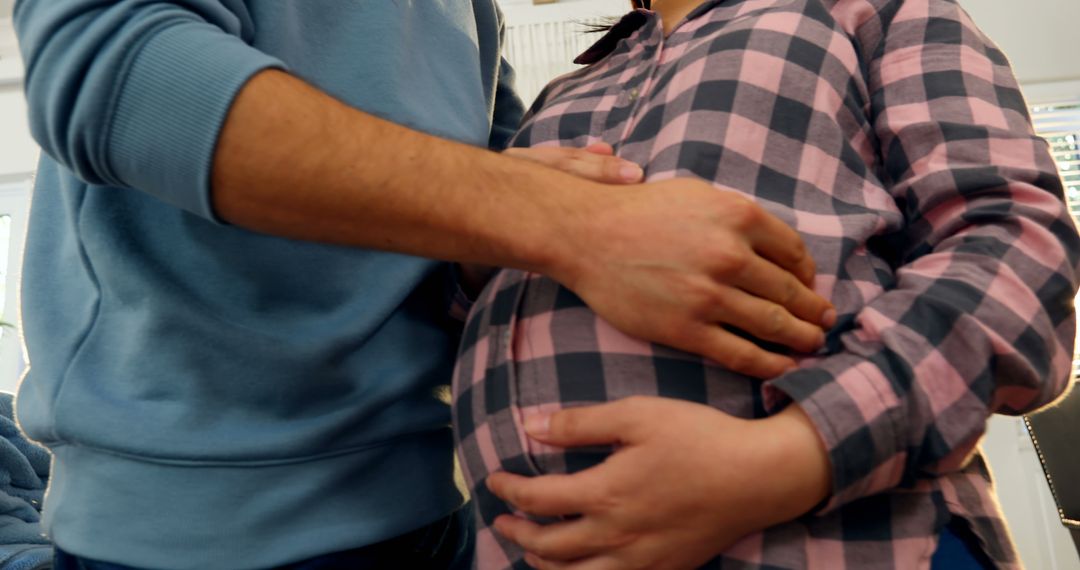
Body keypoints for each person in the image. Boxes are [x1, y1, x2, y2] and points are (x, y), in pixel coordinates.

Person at [11, 1, 836, 568]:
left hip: (444, 509)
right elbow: (115, 71)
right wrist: (566, 221)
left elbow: (474, 211)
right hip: (204, 526)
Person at [453, 0, 1080, 568]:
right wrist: (487, 243)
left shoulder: (870, 12)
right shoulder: (565, 91)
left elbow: (1020, 248)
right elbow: (463, 314)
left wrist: (794, 454)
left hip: (851, 543)